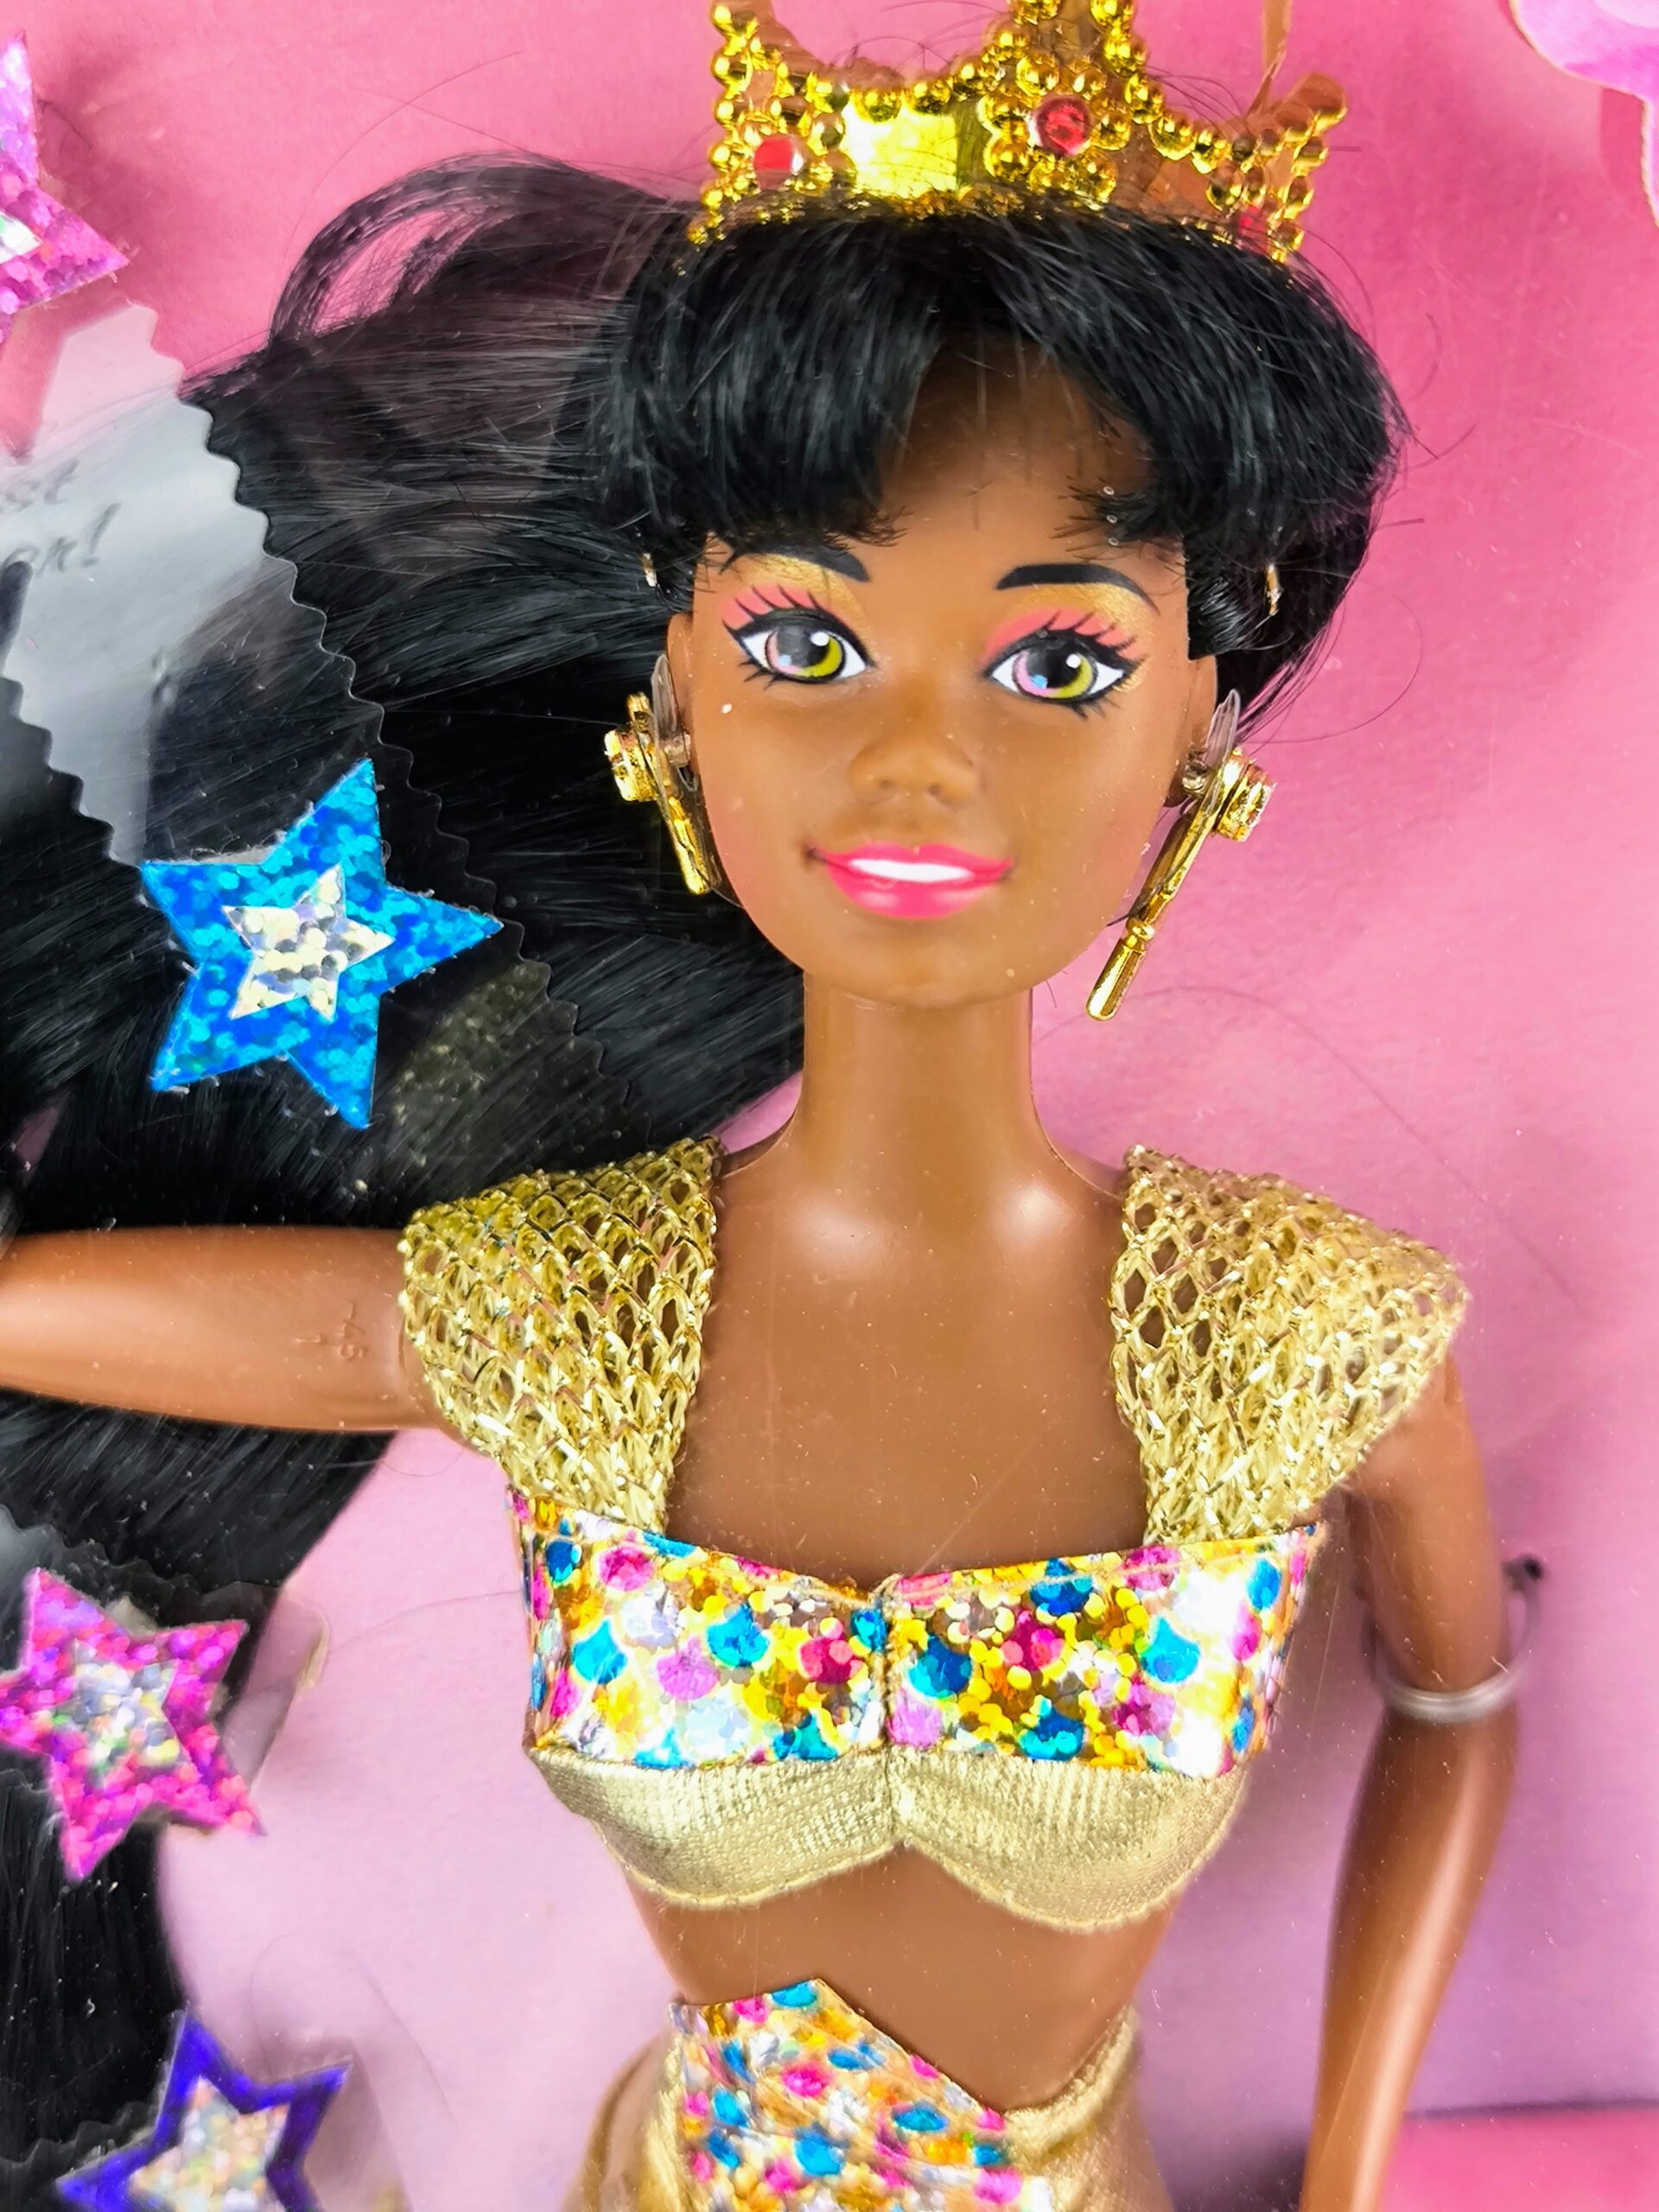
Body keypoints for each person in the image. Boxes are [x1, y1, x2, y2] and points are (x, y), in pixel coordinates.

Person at [0, 2, 1523, 2203]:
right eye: (808, 643)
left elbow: (1458, 1710)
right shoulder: (568, 1316)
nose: (920, 759)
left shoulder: (1307, 1337)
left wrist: (1353, 2160)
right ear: (675, 691)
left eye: (1060, 662)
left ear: (1203, 718)